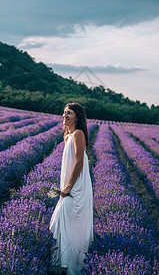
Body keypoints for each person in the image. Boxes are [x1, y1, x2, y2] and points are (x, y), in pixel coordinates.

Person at [49, 103, 93, 274]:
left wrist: (68, 187)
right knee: (62, 222)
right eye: (64, 112)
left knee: (68, 221)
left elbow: (79, 163)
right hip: (69, 186)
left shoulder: (78, 134)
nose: (65, 116)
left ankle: (73, 265)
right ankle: (64, 263)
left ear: (77, 117)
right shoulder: (67, 136)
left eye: (69, 113)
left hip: (77, 188)